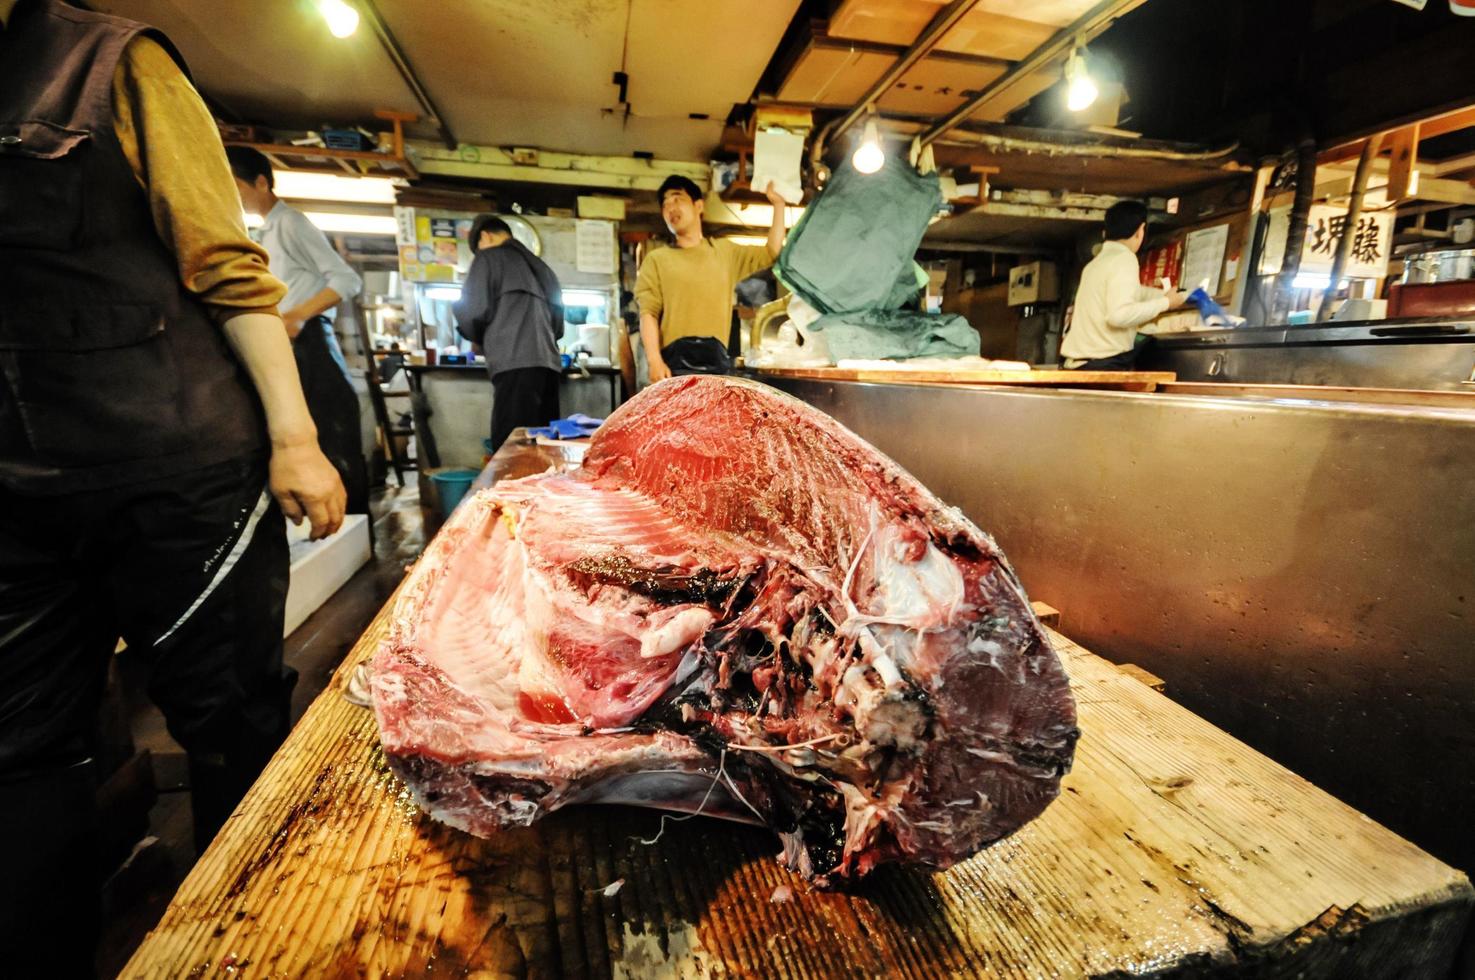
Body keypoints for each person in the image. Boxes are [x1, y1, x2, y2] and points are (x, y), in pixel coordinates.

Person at [0, 0, 344, 970]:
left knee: (227, 717)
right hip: (21, 485)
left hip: (182, 468)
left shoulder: (112, 64)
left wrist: (295, 438)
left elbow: (229, 270)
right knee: (20, 744)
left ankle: (268, 943)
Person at [228, 145, 368, 514]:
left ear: (261, 182)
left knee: (332, 436)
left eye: (236, 187)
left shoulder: (290, 223)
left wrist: (298, 317)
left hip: (312, 342)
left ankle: (351, 531)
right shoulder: (265, 232)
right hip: (291, 344)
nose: (234, 198)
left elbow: (346, 280)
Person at [636, 176, 788, 380]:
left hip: (717, 364)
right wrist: (654, 361)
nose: (670, 207)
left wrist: (779, 205)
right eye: (665, 204)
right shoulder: (656, 259)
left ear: (698, 205)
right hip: (672, 368)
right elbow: (648, 314)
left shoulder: (724, 252)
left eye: (677, 199)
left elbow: (771, 252)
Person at [453, 215, 564, 453]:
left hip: (514, 364)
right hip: (549, 368)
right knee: (545, 449)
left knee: (511, 448)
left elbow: (472, 312)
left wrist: (475, 337)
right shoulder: (541, 266)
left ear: (485, 236)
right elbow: (558, 326)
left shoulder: (488, 258)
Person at [1059, 200, 1188, 370]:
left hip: (1079, 364)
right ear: (1140, 231)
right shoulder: (1124, 259)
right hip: (1102, 365)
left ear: (1106, 233)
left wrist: (1166, 296)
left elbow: (1131, 292)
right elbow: (1119, 316)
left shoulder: (1095, 264)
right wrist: (1166, 303)